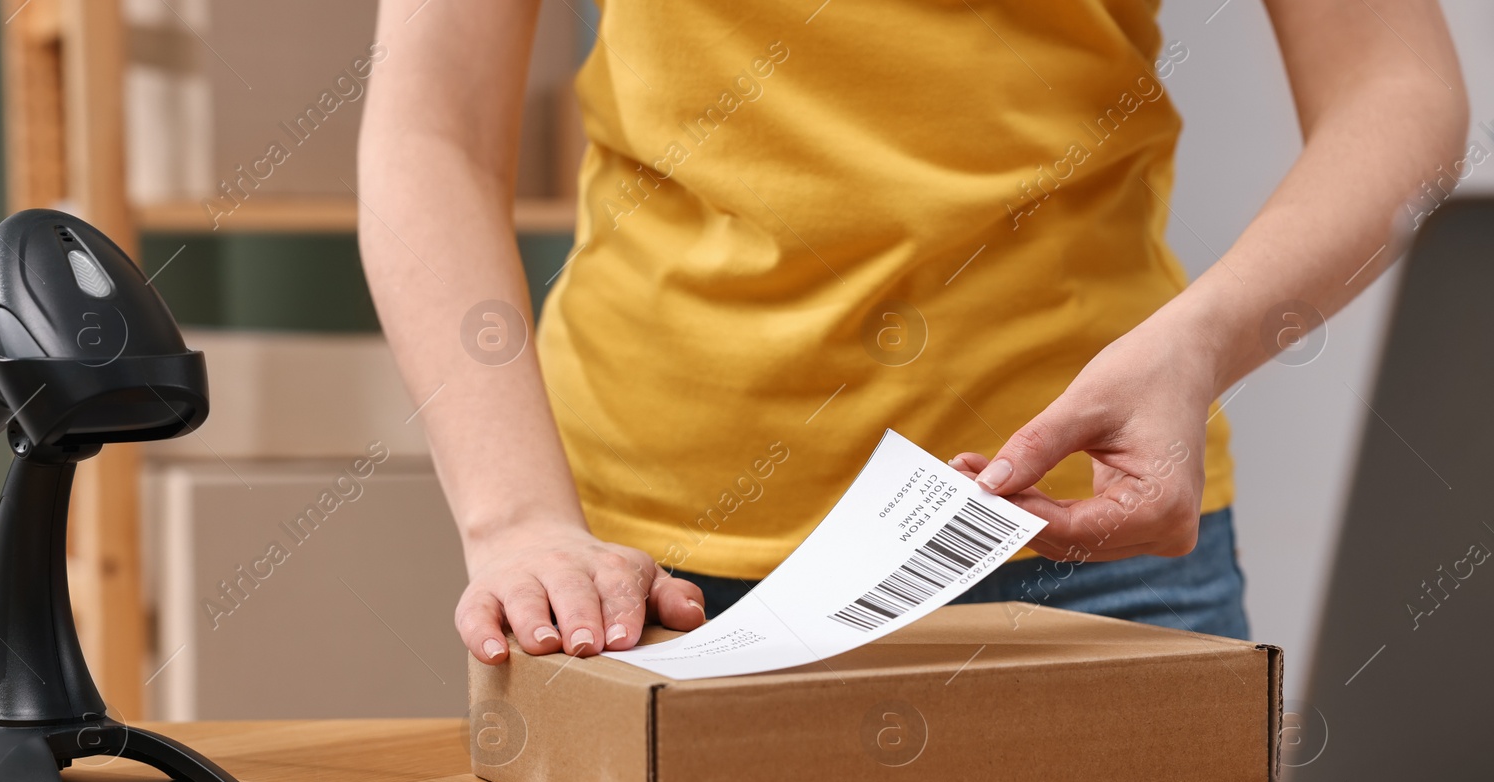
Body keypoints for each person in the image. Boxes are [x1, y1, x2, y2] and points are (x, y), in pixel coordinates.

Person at [358, 0, 1467, 663]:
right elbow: (430, 130)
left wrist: (1204, 343)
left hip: (1088, 548)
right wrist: (517, 521)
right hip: (641, 568)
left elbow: (1395, 88)